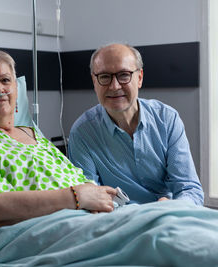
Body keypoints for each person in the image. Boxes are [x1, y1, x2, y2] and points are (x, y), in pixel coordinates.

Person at [0, 48, 117, 243]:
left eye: (5, 80)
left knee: (155, 217)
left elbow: (82, 185)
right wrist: (75, 197)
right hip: (45, 235)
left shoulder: (37, 138)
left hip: (92, 221)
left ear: (16, 88)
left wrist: (97, 195)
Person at [68, 43, 204, 206]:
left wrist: (172, 207)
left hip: (169, 216)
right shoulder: (83, 133)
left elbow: (190, 189)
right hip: (120, 222)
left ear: (139, 78)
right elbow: (89, 199)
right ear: (94, 82)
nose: (114, 86)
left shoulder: (167, 119)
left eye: (124, 75)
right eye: (104, 76)